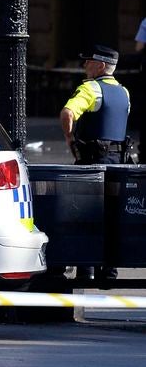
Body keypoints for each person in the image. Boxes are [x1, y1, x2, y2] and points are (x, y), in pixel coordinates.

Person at [60, 44, 129, 284]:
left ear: (100, 65)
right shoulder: (124, 92)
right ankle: (109, 272)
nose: (84, 66)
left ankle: (86, 269)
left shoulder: (90, 88)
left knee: (84, 214)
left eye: (88, 61)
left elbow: (68, 113)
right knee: (111, 215)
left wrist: (70, 139)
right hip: (118, 162)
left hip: (92, 160)